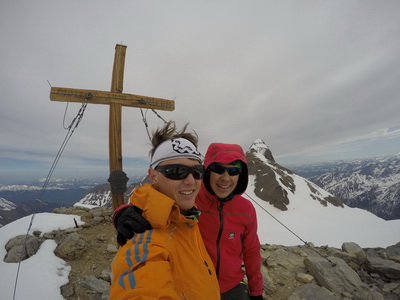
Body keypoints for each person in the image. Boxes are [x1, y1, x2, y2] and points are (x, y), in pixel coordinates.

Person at [115, 142, 264, 299]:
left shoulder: (246, 209)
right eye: (218, 169)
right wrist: (125, 211)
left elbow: (251, 250)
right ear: (207, 172)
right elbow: (157, 196)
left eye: (234, 170)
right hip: (194, 286)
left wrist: (256, 291)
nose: (225, 178)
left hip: (232, 286)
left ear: (240, 175)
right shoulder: (191, 198)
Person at [110, 121, 221, 300]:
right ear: (153, 176)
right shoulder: (145, 237)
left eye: (198, 171)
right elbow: (141, 290)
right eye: (177, 171)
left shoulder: (187, 215)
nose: (191, 181)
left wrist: (121, 210)